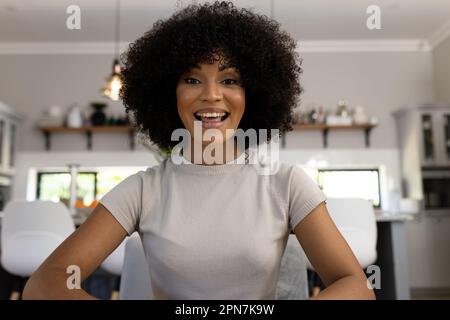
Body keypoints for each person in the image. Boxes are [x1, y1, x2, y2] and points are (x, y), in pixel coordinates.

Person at [23, 1, 375, 300]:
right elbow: (46, 281)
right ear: (169, 94)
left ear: (252, 93)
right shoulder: (143, 190)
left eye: (229, 80)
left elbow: (355, 285)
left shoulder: (286, 184)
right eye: (192, 79)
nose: (211, 95)